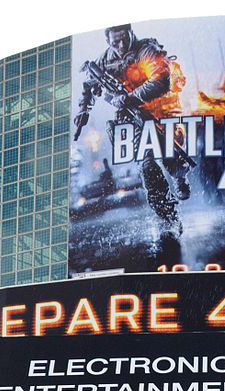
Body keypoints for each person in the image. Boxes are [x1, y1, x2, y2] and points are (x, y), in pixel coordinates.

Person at [74, 23, 191, 239]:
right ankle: (169, 216)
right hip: (134, 119)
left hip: (160, 110)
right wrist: (83, 109)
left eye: (123, 39)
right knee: (146, 166)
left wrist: (128, 98)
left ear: (131, 34)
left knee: (171, 154)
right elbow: (89, 86)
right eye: (114, 41)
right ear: (107, 40)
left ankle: (179, 176)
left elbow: (162, 81)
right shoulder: (104, 60)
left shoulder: (145, 51)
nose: (120, 45)